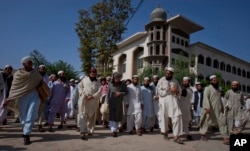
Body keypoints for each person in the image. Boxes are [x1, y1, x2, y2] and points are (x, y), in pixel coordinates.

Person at [2, 56, 42, 145]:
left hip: (33, 95)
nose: (31, 64)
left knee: (31, 115)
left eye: (31, 62)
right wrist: (9, 98)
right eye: (29, 62)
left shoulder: (35, 73)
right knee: (23, 116)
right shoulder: (18, 74)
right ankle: (25, 131)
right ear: (24, 64)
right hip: (22, 96)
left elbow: (40, 81)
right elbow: (14, 88)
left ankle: (26, 135)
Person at [199, 75, 230, 145]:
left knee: (222, 121)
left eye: (216, 80)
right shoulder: (207, 88)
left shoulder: (219, 88)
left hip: (218, 109)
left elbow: (219, 99)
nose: (215, 81)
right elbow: (205, 98)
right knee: (205, 121)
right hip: (209, 108)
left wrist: (222, 108)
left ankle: (225, 137)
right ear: (210, 81)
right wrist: (207, 107)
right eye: (213, 80)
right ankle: (203, 134)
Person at [157, 67, 183, 144]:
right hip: (164, 101)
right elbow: (159, 92)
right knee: (164, 118)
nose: (167, 74)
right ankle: (165, 133)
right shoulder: (161, 80)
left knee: (177, 117)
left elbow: (180, 91)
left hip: (174, 100)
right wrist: (168, 90)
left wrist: (177, 91)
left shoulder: (175, 81)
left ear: (172, 74)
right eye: (166, 73)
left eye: (169, 73)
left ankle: (176, 136)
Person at [78, 68, 102, 139]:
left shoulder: (98, 82)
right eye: (92, 72)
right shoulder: (84, 79)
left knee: (92, 116)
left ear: (96, 73)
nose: (93, 73)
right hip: (85, 100)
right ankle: (82, 131)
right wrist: (82, 94)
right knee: (83, 115)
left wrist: (93, 96)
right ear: (89, 73)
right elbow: (80, 87)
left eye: (94, 72)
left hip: (93, 101)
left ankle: (90, 130)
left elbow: (100, 91)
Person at [105, 72, 128, 137]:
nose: (117, 79)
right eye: (115, 77)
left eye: (118, 77)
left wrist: (120, 93)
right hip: (111, 101)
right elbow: (107, 93)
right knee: (112, 116)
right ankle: (113, 130)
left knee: (118, 115)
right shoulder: (110, 84)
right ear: (113, 78)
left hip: (119, 102)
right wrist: (107, 102)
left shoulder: (123, 84)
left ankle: (116, 128)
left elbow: (126, 92)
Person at [37, 65, 49, 132]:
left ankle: (39, 125)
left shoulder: (46, 77)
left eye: (43, 69)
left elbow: (46, 87)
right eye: (41, 69)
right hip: (33, 95)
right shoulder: (34, 76)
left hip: (42, 95)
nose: (42, 70)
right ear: (38, 69)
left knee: (41, 111)